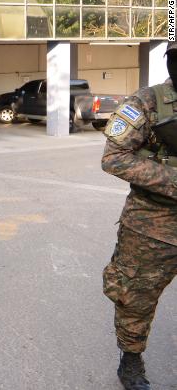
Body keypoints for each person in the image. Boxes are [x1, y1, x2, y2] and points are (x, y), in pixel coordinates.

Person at [100, 41, 177, 390]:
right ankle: (130, 361)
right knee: (136, 297)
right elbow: (114, 158)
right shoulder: (148, 102)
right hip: (153, 225)